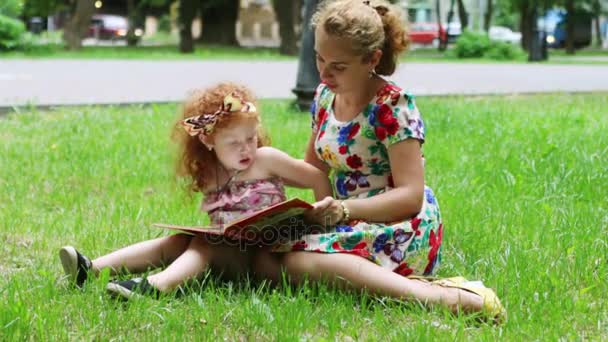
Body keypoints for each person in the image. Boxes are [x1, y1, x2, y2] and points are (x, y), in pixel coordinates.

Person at [252, 0, 505, 321]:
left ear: (371, 59)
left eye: (338, 66)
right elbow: (314, 170)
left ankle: (440, 297)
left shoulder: (392, 106)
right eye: (319, 58)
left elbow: (411, 197)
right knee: (261, 257)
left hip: (397, 225)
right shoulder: (325, 97)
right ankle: (367, 276)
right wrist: (259, 168)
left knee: (293, 263)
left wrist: (345, 209)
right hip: (344, 218)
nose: (324, 72)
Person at [59, 82, 332, 299]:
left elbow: (317, 178)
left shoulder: (267, 159)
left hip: (269, 257)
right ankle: (91, 269)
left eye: (250, 138)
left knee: (206, 243)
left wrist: (327, 222)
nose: (245, 148)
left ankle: (157, 286)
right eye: (233, 143)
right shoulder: (210, 173)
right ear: (208, 140)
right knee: (178, 241)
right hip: (231, 256)